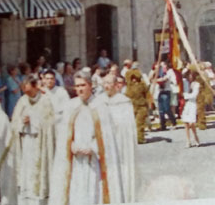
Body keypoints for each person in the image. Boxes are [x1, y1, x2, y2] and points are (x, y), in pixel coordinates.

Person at [49, 70, 124, 205]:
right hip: (75, 162)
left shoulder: (100, 106)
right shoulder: (71, 106)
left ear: (90, 85)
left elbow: (108, 137)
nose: (80, 89)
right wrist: (70, 145)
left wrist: (93, 147)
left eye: (83, 85)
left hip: (94, 162)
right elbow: (63, 134)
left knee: (93, 194)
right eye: (77, 86)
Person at [11, 74, 55, 205]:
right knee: (26, 175)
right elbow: (14, 123)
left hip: (39, 144)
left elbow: (50, 124)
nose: (27, 94)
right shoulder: (22, 101)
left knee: (37, 175)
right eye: (25, 92)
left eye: (29, 91)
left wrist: (33, 120)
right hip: (25, 143)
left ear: (36, 87)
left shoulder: (45, 101)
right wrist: (21, 122)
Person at [100, 74, 137, 203]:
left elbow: (126, 127)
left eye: (109, 83)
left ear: (116, 85)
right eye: (104, 83)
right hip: (103, 145)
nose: (106, 86)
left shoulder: (124, 102)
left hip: (119, 144)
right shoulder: (99, 102)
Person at [125, 64, 149, 144]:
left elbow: (147, 94)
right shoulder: (128, 86)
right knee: (131, 124)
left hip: (141, 106)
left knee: (140, 123)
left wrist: (150, 103)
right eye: (132, 78)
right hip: (131, 106)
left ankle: (140, 138)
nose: (134, 80)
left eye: (135, 78)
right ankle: (132, 138)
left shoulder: (142, 84)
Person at [155, 61, 177, 130]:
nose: (162, 67)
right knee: (161, 110)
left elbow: (164, 79)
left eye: (163, 65)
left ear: (166, 65)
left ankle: (174, 123)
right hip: (160, 91)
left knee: (167, 108)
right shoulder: (159, 72)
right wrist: (155, 71)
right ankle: (163, 125)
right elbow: (152, 78)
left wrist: (156, 80)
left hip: (167, 91)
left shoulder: (170, 72)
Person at [181, 70, 201, 148]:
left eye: (191, 75)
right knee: (186, 123)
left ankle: (195, 137)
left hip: (193, 104)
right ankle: (188, 141)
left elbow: (194, 95)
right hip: (186, 104)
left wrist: (185, 95)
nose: (189, 77)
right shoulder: (184, 82)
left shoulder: (196, 84)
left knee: (192, 123)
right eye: (188, 75)